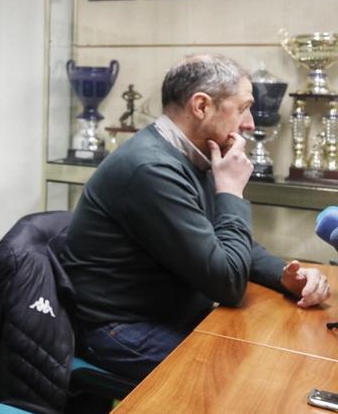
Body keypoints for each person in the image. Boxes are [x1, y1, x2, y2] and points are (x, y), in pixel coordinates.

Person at [60, 54, 330, 381]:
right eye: (243, 108)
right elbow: (227, 282)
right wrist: (230, 191)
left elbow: (222, 239)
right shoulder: (152, 169)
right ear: (201, 106)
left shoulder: (190, 152)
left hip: (167, 315)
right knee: (246, 379)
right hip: (119, 330)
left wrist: (284, 275)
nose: (251, 124)